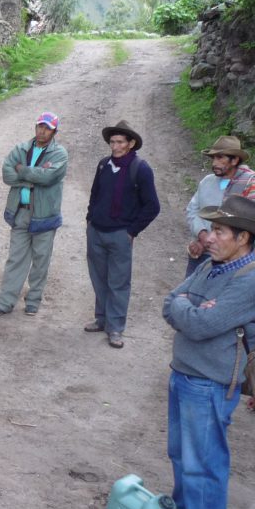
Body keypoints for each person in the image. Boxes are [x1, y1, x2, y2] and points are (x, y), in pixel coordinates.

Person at [159, 195, 255, 509]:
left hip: (209, 383)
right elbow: (169, 302)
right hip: (184, 372)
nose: (209, 237)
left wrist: (189, 308)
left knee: (204, 464)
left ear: (243, 238)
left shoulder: (254, 280)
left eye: (219, 231)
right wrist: (189, 306)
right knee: (180, 454)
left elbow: (200, 324)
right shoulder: (213, 265)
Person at [84, 120, 160, 349]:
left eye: (119, 142)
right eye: (112, 142)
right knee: (99, 277)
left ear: (131, 143)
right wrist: (90, 218)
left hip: (120, 234)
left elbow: (152, 206)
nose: (114, 146)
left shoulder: (141, 169)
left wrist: (132, 231)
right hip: (96, 230)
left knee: (118, 282)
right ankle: (101, 319)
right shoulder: (103, 165)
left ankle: (115, 327)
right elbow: (95, 194)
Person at [0, 112, 68, 317]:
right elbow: (7, 174)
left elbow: (49, 177)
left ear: (54, 132)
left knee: (41, 259)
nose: (42, 131)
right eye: (40, 126)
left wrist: (21, 170)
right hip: (20, 212)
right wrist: (32, 177)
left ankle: (33, 300)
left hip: (44, 215)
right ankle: (5, 302)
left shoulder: (59, 153)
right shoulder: (21, 148)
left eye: (47, 128)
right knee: (15, 258)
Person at [184, 135, 255, 276]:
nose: (215, 163)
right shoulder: (207, 182)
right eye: (213, 158)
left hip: (232, 262)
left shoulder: (250, 188)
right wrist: (202, 235)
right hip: (200, 253)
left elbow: (248, 229)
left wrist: (208, 242)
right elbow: (193, 209)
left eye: (220, 158)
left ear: (235, 160)